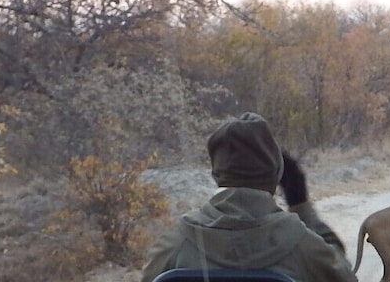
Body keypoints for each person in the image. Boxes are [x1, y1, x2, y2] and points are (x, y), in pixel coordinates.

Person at [139, 113, 358, 282]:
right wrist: (301, 205)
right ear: (276, 175)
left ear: (217, 174)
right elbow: (345, 276)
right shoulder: (301, 243)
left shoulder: (176, 244)